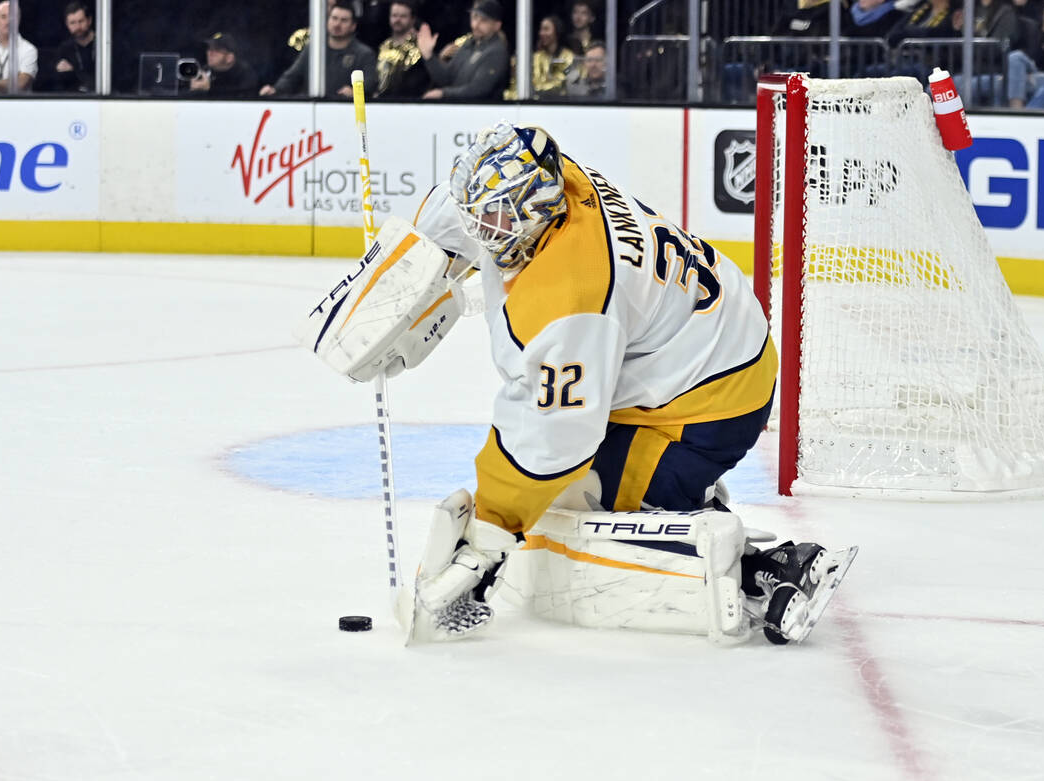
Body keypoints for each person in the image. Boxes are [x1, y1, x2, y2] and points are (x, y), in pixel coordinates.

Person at [306, 121, 850, 645]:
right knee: (569, 492)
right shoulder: (551, 180)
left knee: (590, 504)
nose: (480, 226)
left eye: (493, 217)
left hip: (714, 394)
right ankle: (680, 491)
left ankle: (764, 567)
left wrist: (490, 534)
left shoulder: (572, 292)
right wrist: (403, 281)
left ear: (536, 216)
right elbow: (463, 207)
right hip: (696, 335)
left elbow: (554, 435)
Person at [262, 1, 377, 98]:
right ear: (327, 21)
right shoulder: (314, 49)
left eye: (344, 20)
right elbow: (292, 76)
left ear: (353, 26)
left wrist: (355, 92)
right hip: (315, 109)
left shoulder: (364, 54)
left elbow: (371, 84)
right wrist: (275, 90)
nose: (337, 24)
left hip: (347, 112)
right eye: (334, 18)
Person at [418, 0, 509, 99]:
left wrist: (443, 93)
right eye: (475, 18)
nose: (476, 25)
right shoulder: (468, 44)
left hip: (481, 111)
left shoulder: (496, 52)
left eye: (484, 20)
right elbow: (446, 78)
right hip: (459, 109)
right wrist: (429, 56)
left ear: (497, 25)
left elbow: (478, 90)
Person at [505, 13, 575, 99]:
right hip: (537, 104)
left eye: (546, 29)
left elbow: (571, 81)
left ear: (557, 31)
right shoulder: (536, 57)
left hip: (561, 103)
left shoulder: (568, 57)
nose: (542, 33)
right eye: (541, 29)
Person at [375, 0, 428, 98]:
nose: (397, 20)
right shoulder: (384, 45)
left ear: (413, 19)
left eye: (403, 16)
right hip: (381, 102)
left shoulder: (421, 47)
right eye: (394, 15)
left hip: (408, 101)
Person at [191, 32, 260, 97]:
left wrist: (209, 89)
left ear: (229, 58)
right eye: (209, 48)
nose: (210, 53)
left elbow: (241, 97)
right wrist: (194, 90)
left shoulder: (245, 74)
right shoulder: (203, 72)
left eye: (216, 50)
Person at [52, 1, 95, 93]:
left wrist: (73, 72)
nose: (77, 27)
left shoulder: (103, 45)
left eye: (81, 21)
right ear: (67, 25)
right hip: (73, 100)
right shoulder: (64, 49)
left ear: (89, 20)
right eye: (72, 23)